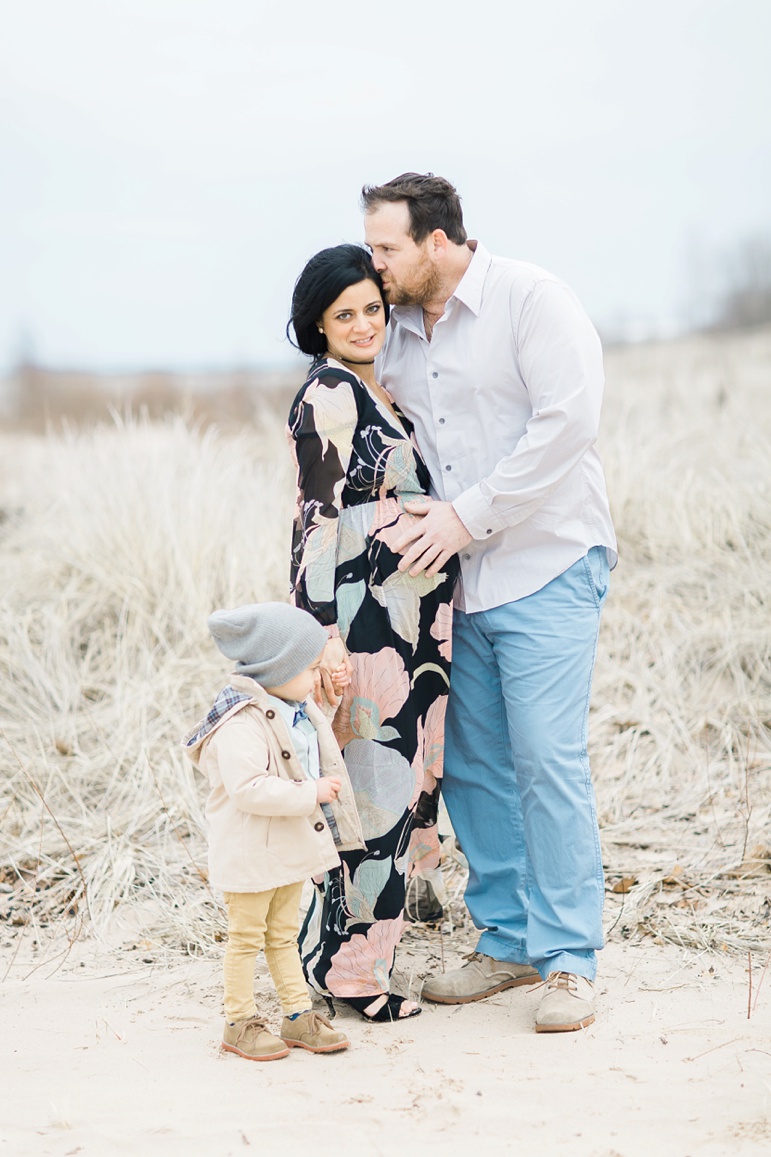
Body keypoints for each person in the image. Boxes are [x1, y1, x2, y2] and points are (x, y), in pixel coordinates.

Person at [361, 172, 618, 1033]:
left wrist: (467, 516)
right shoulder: (393, 328)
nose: (377, 262)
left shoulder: (530, 299)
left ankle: (569, 959)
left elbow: (568, 420)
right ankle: (506, 940)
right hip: (454, 587)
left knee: (546, 760)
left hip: (546, 561)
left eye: (387, 247)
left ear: (438, 241)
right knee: (470, 766)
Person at [285, 244, 459, 1022]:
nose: (362, 323)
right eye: (342, 314)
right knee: (374, 798)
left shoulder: (374, 388)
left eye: (370, 309)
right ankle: (355, 975)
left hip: (412, 631)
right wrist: (320, 635)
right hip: (364, 630)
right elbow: (316, 520)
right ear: (317, 325)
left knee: (400, 794)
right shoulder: (327, 392)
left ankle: (338, 958)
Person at [183, 601, 364, 1060]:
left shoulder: (291, 707)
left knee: (282, 935)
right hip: (248, 854)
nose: (315, 676)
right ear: (276, 669)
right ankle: (238, 1022)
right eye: (309, 668)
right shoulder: (241, 721)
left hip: (285, 850)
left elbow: (309, 743)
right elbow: (248, 789)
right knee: (246, 938)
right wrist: (313, 792)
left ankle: (297, 1015)